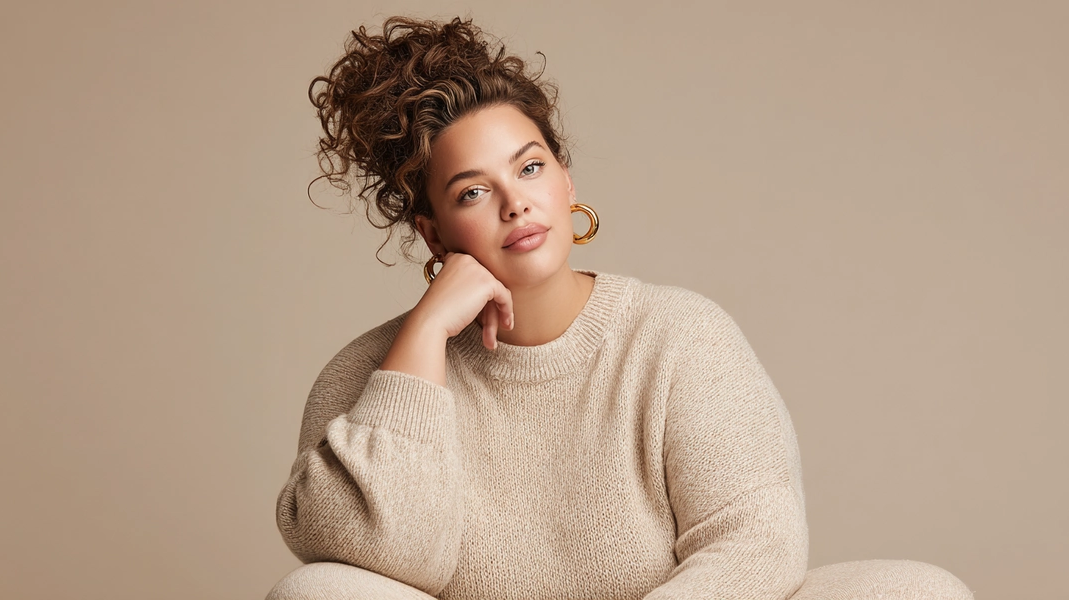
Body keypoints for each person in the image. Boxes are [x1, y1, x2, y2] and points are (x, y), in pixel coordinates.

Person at [267, 16, 974, 600]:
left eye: (531, 167)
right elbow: (383, 555)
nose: (516, 203)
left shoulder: (678, 337)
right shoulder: (367, 373)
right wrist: (423, 336)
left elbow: (756, 541)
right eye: (472, 192)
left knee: (920, 591)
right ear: (433, 233)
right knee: (315, 593)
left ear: (567, 183)